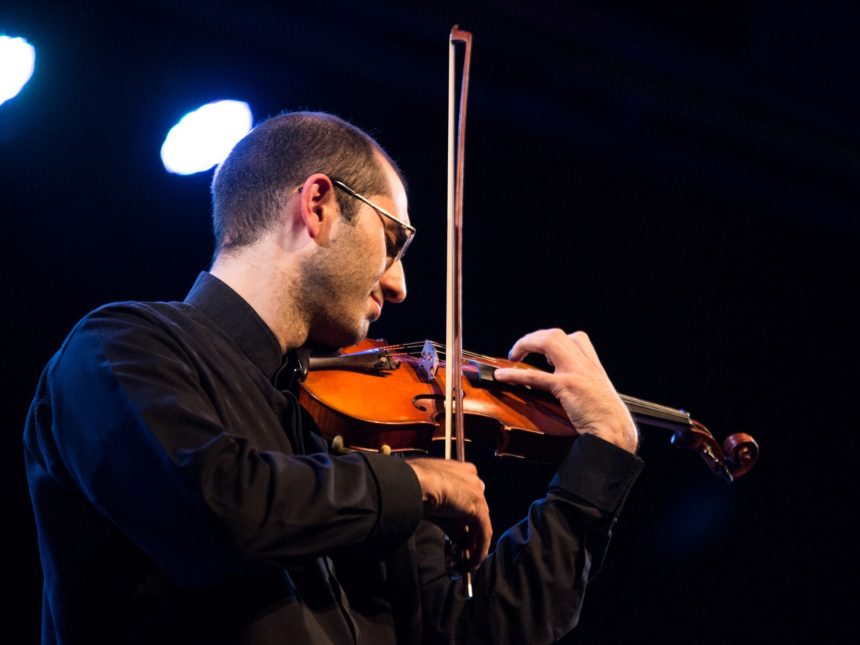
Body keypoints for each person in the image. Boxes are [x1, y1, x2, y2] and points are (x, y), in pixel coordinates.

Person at [24, 111, 643, 644]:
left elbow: (468, 630)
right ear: (318, 205)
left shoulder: (350, 433)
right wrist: (415, 483)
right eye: (392, 241)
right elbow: (218, 506)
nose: (399, 285)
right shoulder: (121, 345)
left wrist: (598, 462)